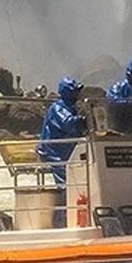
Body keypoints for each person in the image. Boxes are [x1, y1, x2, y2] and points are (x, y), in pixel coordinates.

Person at [36, 78, 87, 227]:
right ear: (68, 92)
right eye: (75, 91)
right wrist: (84, 119)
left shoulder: (70, 107)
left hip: (66, 152)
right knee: (66, 183)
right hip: (54, 152)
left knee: (76, 181)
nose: (78, 94)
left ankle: (70, 217)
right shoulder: (58, 108)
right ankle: (61, 221)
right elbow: (68, 123)